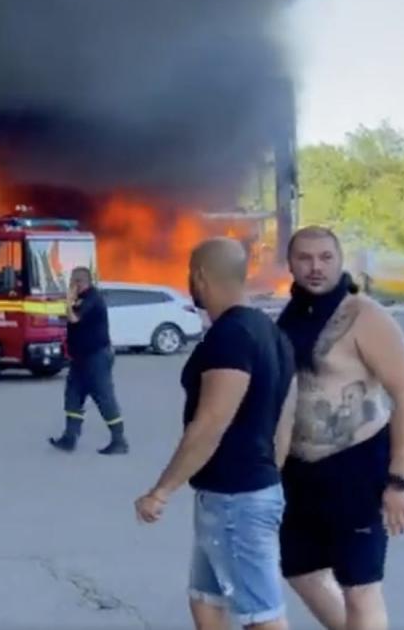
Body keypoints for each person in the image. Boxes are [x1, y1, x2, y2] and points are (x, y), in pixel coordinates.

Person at [135, 238, 297, 630]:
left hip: (236, 500)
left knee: (262, 616)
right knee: (205, 602)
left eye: (191, 274)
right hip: (236, 495)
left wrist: (161, 491)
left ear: (201, 276)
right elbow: (287, 414)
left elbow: (210, 422)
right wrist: (270, 470)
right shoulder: (269, 331)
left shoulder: (232, 335)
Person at [277, 227, 404, 630]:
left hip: (358, 468)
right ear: (289, 264)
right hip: (300, 473)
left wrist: (401, 482)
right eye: (305, 258)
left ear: (339, 261)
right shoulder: (290, 317)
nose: (315, 267)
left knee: (360, 587)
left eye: (325, 257)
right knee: (300, 571)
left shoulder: (366, 316)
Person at [50, 267, 128, 454]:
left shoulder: (93, 297)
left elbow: (74, 318)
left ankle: (119, 441)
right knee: (73, 395)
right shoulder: (81, 298)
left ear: (78, 282)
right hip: (80, 358)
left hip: (97, 356)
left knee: (103, 395)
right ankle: (70, 437)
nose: (69, 285)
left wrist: (68, 302)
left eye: (71, 282)